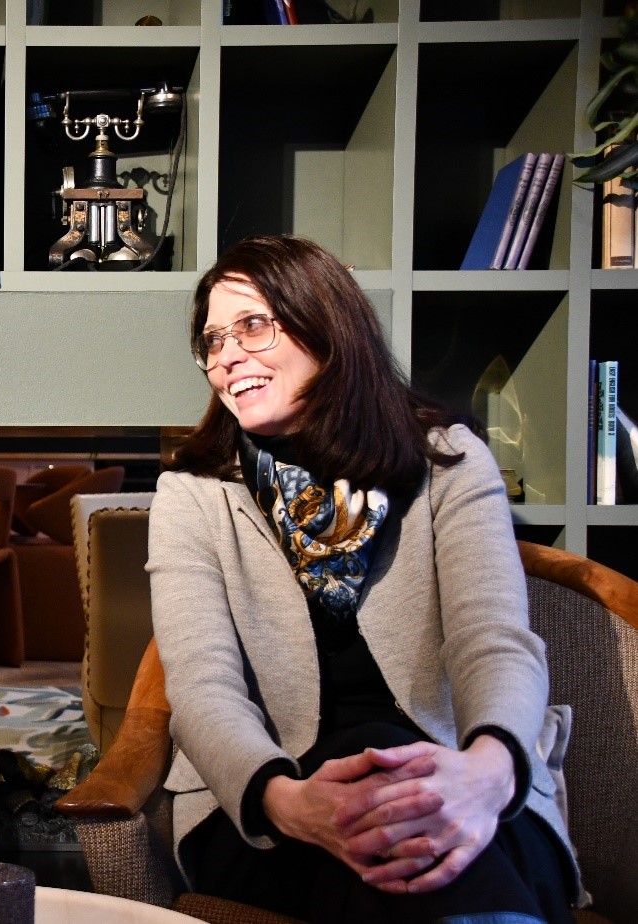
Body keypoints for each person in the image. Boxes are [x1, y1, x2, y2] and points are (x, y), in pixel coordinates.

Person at [148, 235, 581, 923]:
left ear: (327, 326)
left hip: (461, 774)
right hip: (267, 801)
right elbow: (203, 687)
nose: (226, 356)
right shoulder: (192, 493)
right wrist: (287, 800)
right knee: (385, 794)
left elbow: (492, 640)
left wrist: (486, 773)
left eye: (252, 326)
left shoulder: (449, 460)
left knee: (399, 793)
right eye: (212, 340)